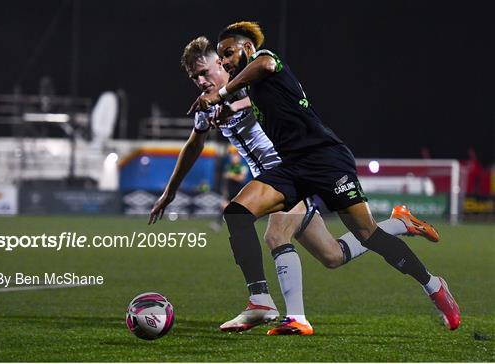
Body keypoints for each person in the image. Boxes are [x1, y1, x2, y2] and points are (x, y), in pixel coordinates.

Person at [150, 36, 444, 335]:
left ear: (221, 63)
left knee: (276, 235)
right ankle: (397, 223)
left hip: (293, 173)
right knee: (334, 255)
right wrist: (169, 192)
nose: (201, 80)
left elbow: (265, 91)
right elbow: (193, 145)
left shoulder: (251, 83)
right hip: (270, 185)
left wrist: (232, 102)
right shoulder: (206, 107)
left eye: (205, 71)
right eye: (194, 77)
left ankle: (285, 313)